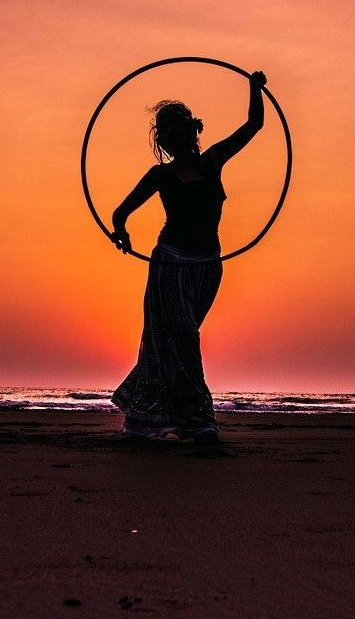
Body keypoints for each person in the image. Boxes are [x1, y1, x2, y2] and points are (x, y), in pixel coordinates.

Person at [109, 70, 268, 444]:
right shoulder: (159, 175)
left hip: (208, 266)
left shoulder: (213, 161)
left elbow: (254, 125)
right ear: (163, 139)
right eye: (165, 131)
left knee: (178, 339)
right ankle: (200, 422)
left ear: (192, 130)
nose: (172, 135)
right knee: (181, 338)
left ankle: (147, 418)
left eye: (177, 127)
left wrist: (254, 88)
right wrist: (121, 233)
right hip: (170, 264)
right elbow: (120, 212)